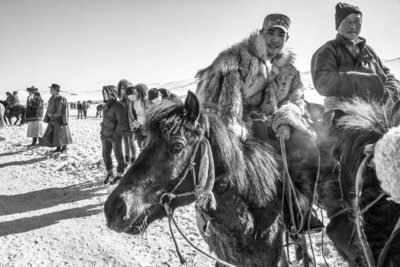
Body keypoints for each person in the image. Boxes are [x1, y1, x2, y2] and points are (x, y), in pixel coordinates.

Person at [195, 13, 323, 233]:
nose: (274, 38)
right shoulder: (236, 57)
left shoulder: (289, 71)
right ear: (261, 33)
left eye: (280, 34)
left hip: (274, 122)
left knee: (306, 145)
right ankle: (209, 211)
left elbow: (296, 99)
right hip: (235, 123)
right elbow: (215, 99)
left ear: (286, 39)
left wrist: (285, 120)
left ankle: (298, 209)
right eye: (270, 32)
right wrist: (237, 124)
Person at [311, 2, 400, 123]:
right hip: (342, 115)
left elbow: (386, 74)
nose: (352, 26)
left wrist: (390, 90)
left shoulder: (368, 50)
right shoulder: (328, 50)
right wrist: (365, 82)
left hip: (377, 112)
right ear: (338, 25)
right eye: (347, 21)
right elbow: (322, 82)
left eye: (357, 21)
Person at [101, 85, 129, 185]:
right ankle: (109, 173)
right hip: (104, 134)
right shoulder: (105, 106)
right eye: (103, 93)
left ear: (112, 93)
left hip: (114, 135)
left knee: (118, 155)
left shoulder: (118, 106)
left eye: (106, 93)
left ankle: (120, 174)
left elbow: (122, 122)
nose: (104, 95)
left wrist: (115, 134)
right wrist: (102, 131)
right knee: (105, 154)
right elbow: (105, 120)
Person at [41, 83, 72, 153]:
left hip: (60, 119)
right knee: (55, 134)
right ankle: (58, 148)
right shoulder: (51, 98)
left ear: (56, 90)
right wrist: (48, 116)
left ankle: (64, 148)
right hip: (52, 119)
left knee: (62, 134)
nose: (50, 91)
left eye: (51, 89)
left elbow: (65, 110)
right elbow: (49, 108)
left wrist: (65, 120)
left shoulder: (62, 98)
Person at [117, 79, 139, 166]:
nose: (122, 90)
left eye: (123, 88)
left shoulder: (130, 100)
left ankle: (133, 161)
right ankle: (127, 160)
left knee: (131, 143)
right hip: (122, 125)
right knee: (125, 143)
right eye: (120, 88)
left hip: (130, 124)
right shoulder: (120, 100)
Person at [126, 84, 150, 149]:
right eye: (130, 98)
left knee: (149, 147)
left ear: (137, 93)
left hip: (148, 127)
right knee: (141, 146)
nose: (132, 99)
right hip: (139, 127)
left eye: (133, 97)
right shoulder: (131, 103)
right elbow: (130, 115)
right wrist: (133, 125)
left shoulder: (145, 101)